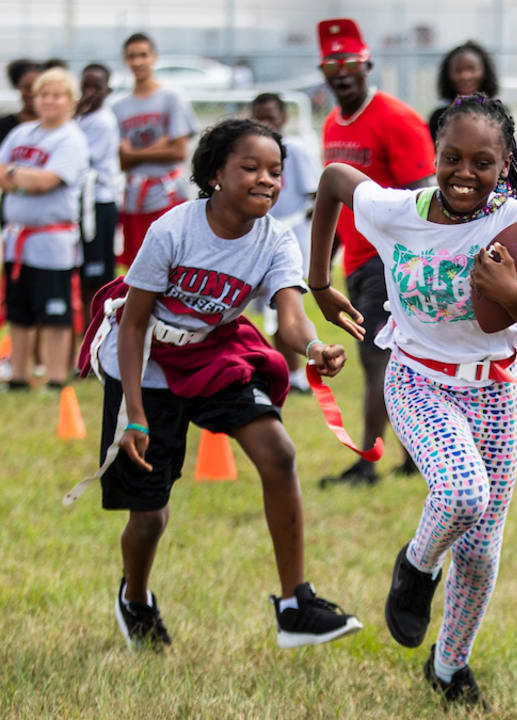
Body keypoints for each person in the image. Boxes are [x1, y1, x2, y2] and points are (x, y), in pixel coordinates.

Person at [308, 92, 517, 708]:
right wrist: (320, 281)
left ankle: (449, 669)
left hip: (495, 391)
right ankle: (416, 567)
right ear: (434, 155)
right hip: (418, 379)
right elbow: (336, 179)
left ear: (505, 166)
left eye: (482, 162)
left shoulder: (516, 228)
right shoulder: (398, 210)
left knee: (479, 549)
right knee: (460, 493)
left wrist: (515, 296)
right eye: (452, 158)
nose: (465, 174)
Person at [75, 118, 362, 652]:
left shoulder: (276, 238)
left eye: (275, 171)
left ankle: (295, 605)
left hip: (212, 352)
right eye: (249, 168)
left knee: (277, 452)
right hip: (147, 364)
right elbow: (133, 324)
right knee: (150, 513)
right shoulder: (173, 230)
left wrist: (314, 348)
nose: (267, 181)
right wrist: (134, 412)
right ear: (213, 176)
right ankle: (135, 597)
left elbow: (290, 318)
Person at [317, 17, 435, 486]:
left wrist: (412, 264)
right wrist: (324, 259)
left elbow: (423, 198)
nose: (341, 71)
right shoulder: (332, 123)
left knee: (376, 361)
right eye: (331, 62)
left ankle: (367, 463)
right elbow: (333, 200)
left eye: (349, 61)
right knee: (397, 362)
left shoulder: (396, 118)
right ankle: (413, 457)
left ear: (366, 63)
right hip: (357, 261)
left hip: (390, 261)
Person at [0, 67, 89, 391]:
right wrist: (22, 179)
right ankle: (18, 376)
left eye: (57, 95)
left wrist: (14, 175)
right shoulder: (22, 133)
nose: (49, 101)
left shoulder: (71, 138)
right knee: (19, 311)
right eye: (44, 94)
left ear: (71, 101)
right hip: (18, 239)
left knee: (55, 312)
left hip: (52, 241)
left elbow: (48, 181)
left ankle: (56, 378)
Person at [251, 91, 320, 393]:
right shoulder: (248, 155)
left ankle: (293, 372)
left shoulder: (295, 150)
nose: (266, 122)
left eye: (271, 116)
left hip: (289, 236)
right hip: (257, 236)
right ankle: (273, 366)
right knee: (261, 308)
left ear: (283, 118)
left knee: (285, 305)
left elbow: (314, 197)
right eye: (260, 116)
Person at [112, 33, 199, 269]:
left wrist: (136, 154)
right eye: (132, 56)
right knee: (138, 265)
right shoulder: (119, 107)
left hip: (167, 193)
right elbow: (121, 161)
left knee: (173, 262)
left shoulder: (172, 98)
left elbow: (178, 151)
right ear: (125, 60)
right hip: (135, 197)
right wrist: (159, 146)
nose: (138, 62)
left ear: (154, 57)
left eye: (143, 55)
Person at [75, 63, 122, 328]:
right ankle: (84, 333)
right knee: (82, 276)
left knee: (98, 278)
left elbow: (81, 161)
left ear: (108, 90)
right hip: (83, 205)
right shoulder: (81, 117)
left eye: (97, 87)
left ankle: (98, 334)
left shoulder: (102, 121)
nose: (90, 93)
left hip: (99, 203)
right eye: (85, 87)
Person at [0, 59, 42, 230]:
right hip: (13, 205)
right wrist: (27, 188)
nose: (32, 93)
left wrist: (17, 173)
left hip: (46, 212)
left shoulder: (58, 131)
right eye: (26, 87)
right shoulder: (7, 126)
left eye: (37, 88)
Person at [427, 40, 499, 143]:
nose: (465, 76)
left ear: (485, 72)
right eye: (458, 70)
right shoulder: (438, 118)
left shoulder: (498, 115)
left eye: (471, 69)